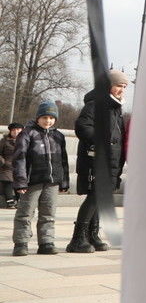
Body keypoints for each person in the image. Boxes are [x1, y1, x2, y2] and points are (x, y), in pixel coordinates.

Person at [67, 69, 128, 253]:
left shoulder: (116, 109)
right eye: (118, 85)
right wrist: (103, 141)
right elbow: (82, 127)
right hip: (96, 161)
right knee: (94, 197)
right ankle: (78, 238)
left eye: (124, 87)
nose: (121, 90)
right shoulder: (95, 104)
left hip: (111, 163)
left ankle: (92, 235)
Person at [11, 101, 69, 256]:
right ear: (38, 118)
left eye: (51, 117)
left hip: (52, 182)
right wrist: (20, 182)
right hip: (32, 181)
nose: (48, 120)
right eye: (44, 117)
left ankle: (46, 242)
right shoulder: (27, 134)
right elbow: (19, 159)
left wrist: (64, 181)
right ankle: (21, 243)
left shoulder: (58, 136)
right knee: (25, 213)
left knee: (48, 214)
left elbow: (63, 161)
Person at [1, 122, 21, 209]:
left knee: (20, 183)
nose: (16, 132)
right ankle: (10, 202)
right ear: (10, 131)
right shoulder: (4, 141)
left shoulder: (26, 141)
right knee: (8, 181)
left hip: (20, 166)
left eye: (18, 130)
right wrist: (3, 161)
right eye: (13, 130)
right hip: (6, 166)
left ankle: (19, 201)